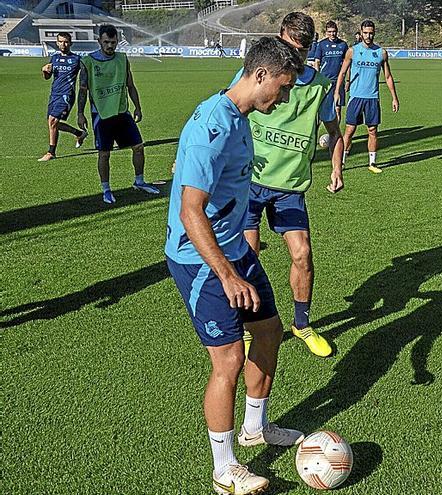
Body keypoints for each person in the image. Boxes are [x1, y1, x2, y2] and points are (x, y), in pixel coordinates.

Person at [165, 36, 304, 495]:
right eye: (281, 88)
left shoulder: (240, 109)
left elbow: (260, 63)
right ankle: (224, 469)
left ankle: (255, 428)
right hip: (202, 261)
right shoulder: (214, 127)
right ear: (260, 76)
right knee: (227, 359)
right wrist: (226, 274)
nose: (283, 98)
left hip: (236, 252)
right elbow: (190, 211)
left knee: (269, 332)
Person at [229, 12, 345, 358]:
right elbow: (230, 110)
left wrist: (336, 170)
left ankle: (302, 324)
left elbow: (334, 132)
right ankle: (249, 326)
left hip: (290, 186)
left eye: (303, 50)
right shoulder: (254, 73)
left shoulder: (320, 86)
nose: (296, 57)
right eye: (291, 47)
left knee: (302, 253)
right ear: (279, 37)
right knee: (247, 256)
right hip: (249, 182)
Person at [77, 24, 159, 204]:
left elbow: (130, 85)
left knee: (138, 147)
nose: (110, 46)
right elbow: (83, 89)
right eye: (106, 42)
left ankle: (139, 181)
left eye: (113, 42)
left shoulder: (122, 59)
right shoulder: (88, 62)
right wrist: (80, 114)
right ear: (99, 41)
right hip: (102, 115)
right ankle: (106, 189)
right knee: (104, 154)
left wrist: (138, 107)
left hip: (122, 113)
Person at [334, 19, 400, 173]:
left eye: (371, 33)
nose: (368, 36)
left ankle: (372, 163)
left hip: (372, 98)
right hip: (356, 97)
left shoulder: (381, 53)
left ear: (374, 33)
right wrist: (337, 91)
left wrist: (394, 97)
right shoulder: (352, 51)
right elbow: (342, 72)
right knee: (350, 130)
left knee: (372, 131)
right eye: (365, 33)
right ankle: (342, 161)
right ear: (361, 32)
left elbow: (388, 77)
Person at [39, 31, 87, 162]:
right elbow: (47, 77)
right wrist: (44, 71)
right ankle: (79, 133)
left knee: (53, 121)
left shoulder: (77, 59)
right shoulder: (54, 58)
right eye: (60, 41)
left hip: (67, 95)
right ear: (57, 43)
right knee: (53, 124)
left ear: (70, 43)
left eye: (66, 42)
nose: (63, 44)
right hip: (54, 94)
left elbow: (85, 77)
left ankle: (51, 152)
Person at [313, 20, 349, 121]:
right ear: (326, 32)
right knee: (321, 108)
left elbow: (348, 64)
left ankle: (336, 135)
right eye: (329, 31)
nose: (332, 34)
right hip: (325, 81)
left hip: (339, 81)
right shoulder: (321, 44)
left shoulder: (343, 45)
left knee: (337, 108)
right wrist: (317, 77)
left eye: (334, 31)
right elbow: (317, 62)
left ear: (337, 31)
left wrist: (348, 80)